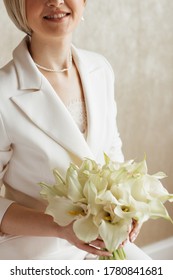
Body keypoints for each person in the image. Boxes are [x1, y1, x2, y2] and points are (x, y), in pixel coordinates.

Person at [0, 0, 150, 260]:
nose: (56, 1)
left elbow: (113, 156)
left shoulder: (100, 69)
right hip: (37, 251)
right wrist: (61, 228)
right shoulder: (4, 93)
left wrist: (130, 208)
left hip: (102, 242)